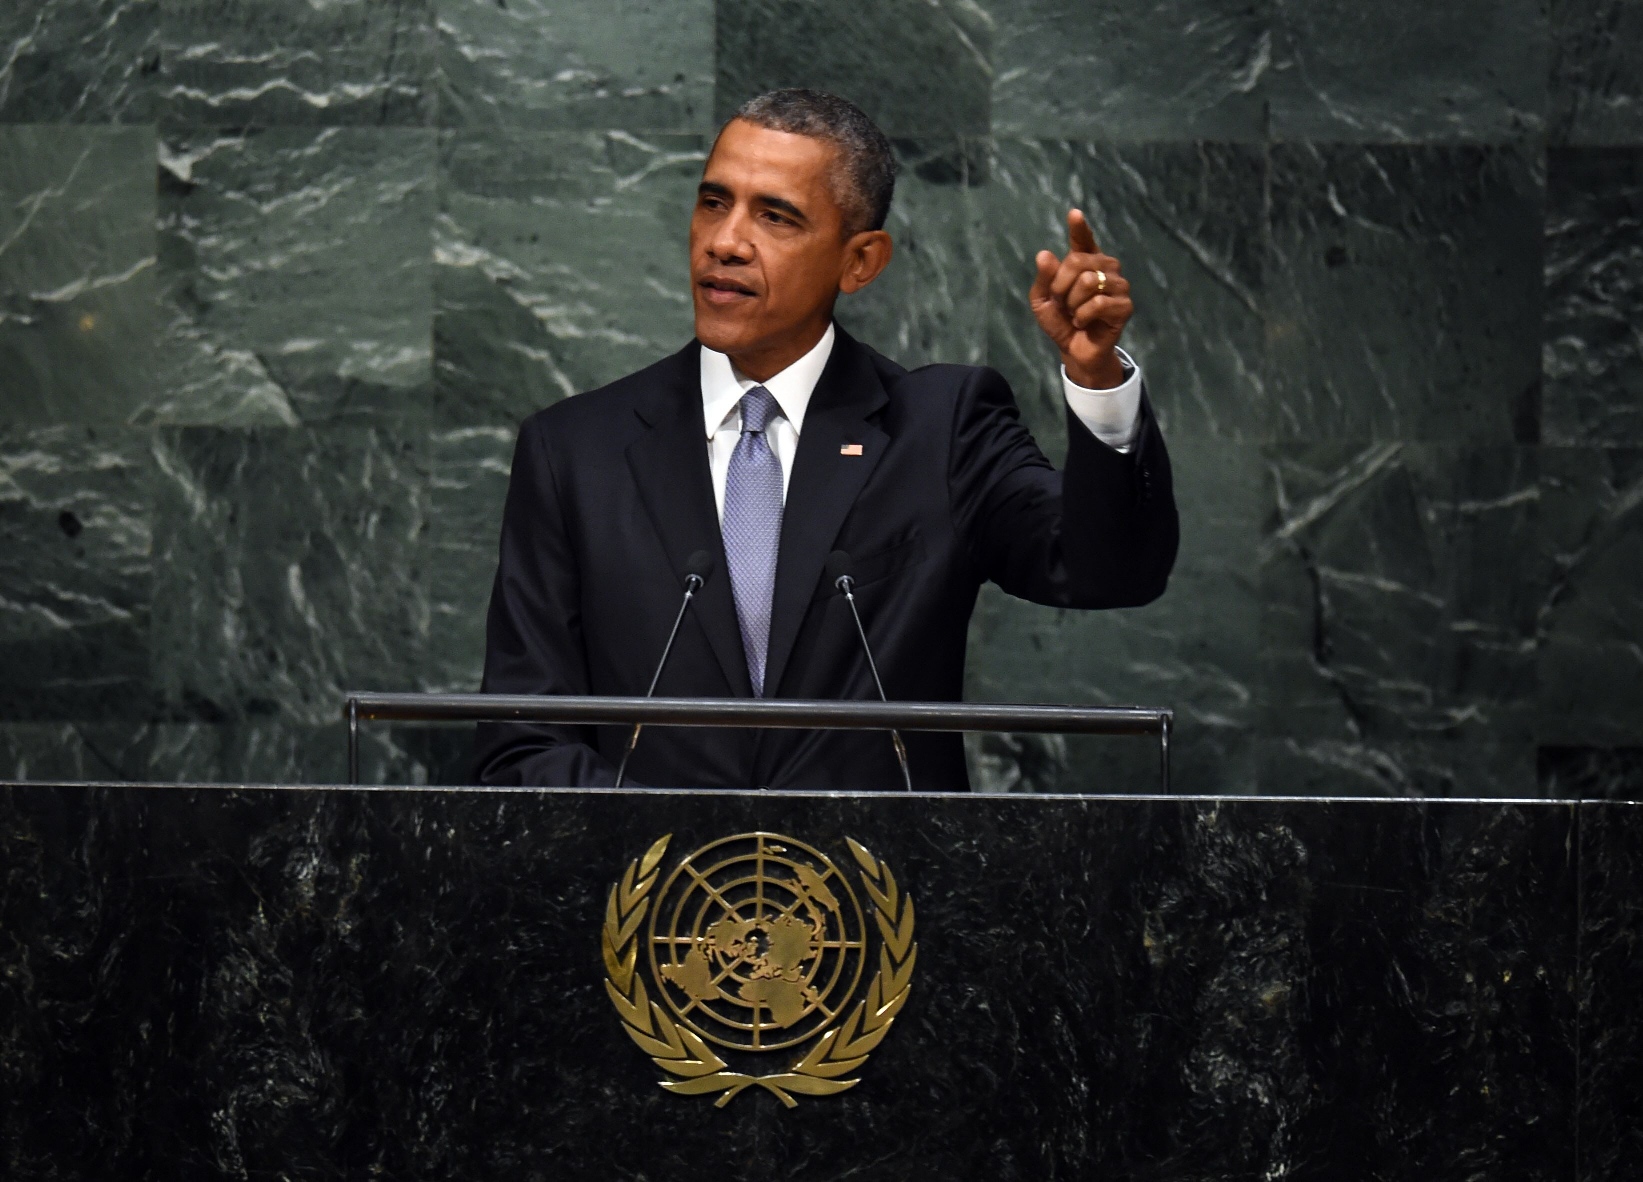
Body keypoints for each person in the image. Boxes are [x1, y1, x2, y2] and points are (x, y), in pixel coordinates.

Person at [474, 89, 1178, 791]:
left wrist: (1096, 378)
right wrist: (686, 849)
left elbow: (1106, 571)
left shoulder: (939, 430)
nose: (725, 241)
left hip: (882, 893)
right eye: (713, 203)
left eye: (775, 216)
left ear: (860, 262)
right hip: (656, 893)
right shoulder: (574, 452)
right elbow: (521, 742)